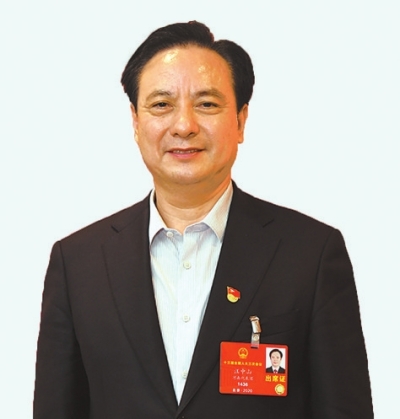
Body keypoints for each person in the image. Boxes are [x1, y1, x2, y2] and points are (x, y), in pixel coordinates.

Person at [33, 21, 373, 418]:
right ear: (136, 122)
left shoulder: (310, 255)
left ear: (241, 121)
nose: (184, 126)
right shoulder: (78, 263)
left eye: (207, 104)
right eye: (162, 105)